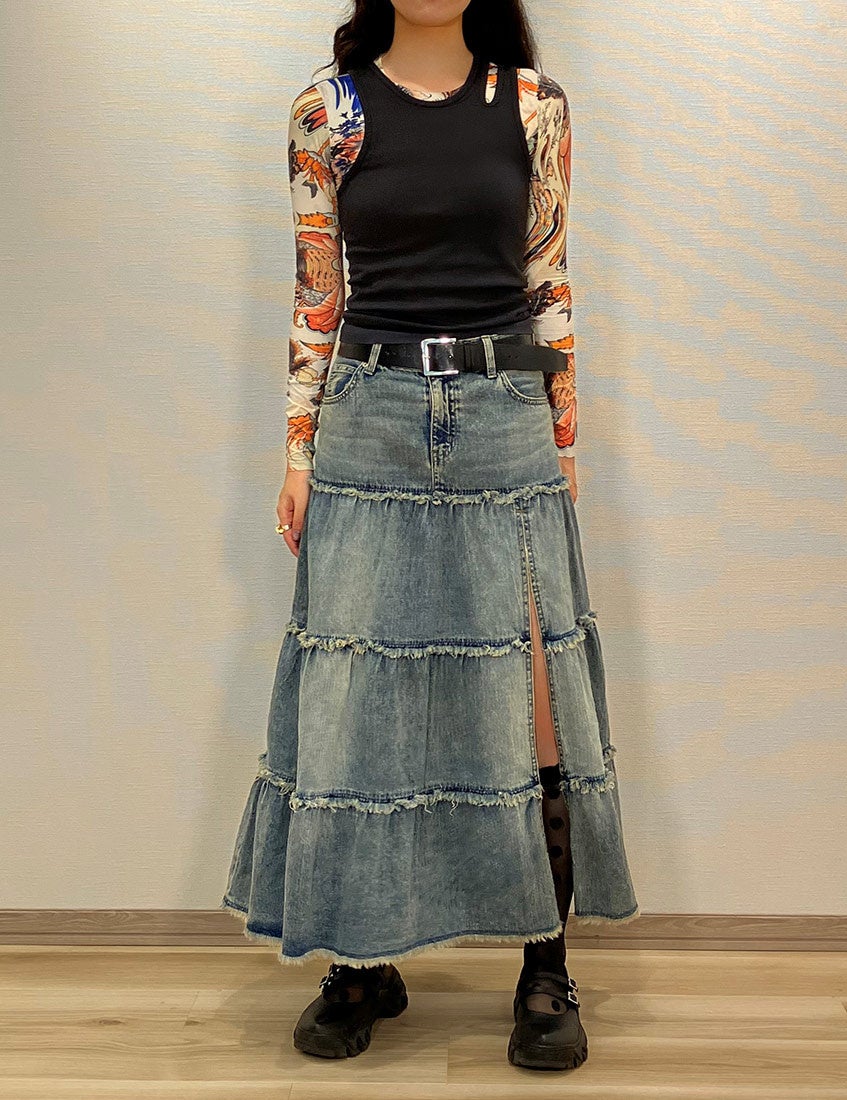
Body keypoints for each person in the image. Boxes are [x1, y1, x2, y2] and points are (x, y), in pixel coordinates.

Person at [221, 0, 640, 1073]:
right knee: (360, 697)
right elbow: (317, 296)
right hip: (369, 416)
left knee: (533, 696)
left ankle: (545, 967)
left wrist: (565, 439)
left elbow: (548, 276)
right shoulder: (326, 111)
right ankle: (363, 962)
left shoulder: (533, 105)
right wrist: (297, 449)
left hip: (505, 414)